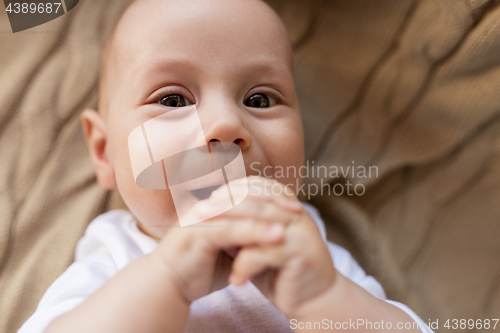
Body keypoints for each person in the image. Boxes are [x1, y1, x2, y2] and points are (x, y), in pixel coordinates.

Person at [19, 0, 433, 332]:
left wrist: (322, 297)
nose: (225, 126)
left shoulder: (303, 249)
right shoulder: (113, 260)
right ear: (105, 151)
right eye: (173, 100)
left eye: (259, 100)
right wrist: (167, 278)